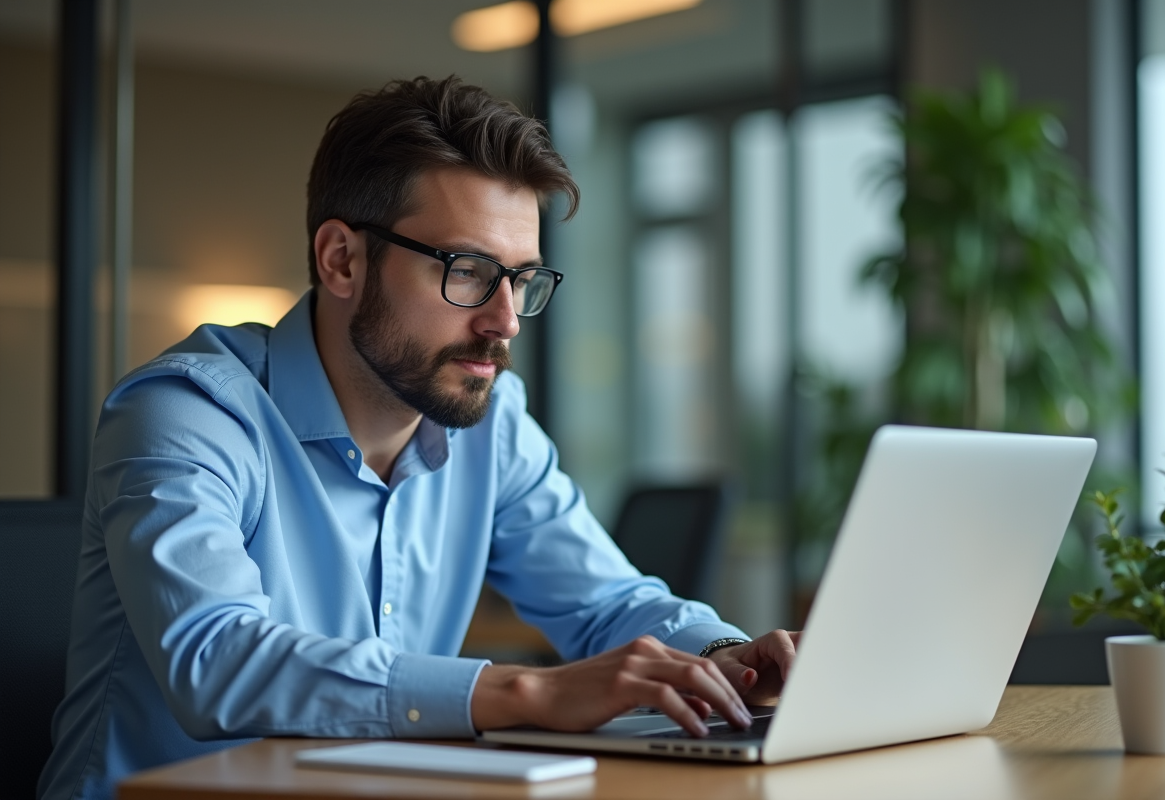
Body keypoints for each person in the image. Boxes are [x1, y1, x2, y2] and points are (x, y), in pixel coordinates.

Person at [38, 76, 800, 800]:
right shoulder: (186, 413)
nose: (504, 320)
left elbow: (606, 602)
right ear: (342, 259)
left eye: (521, 280)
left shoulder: (491, 423)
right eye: (469, 271)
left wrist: (720, 658)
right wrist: (525, 690)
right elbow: (217, 660)